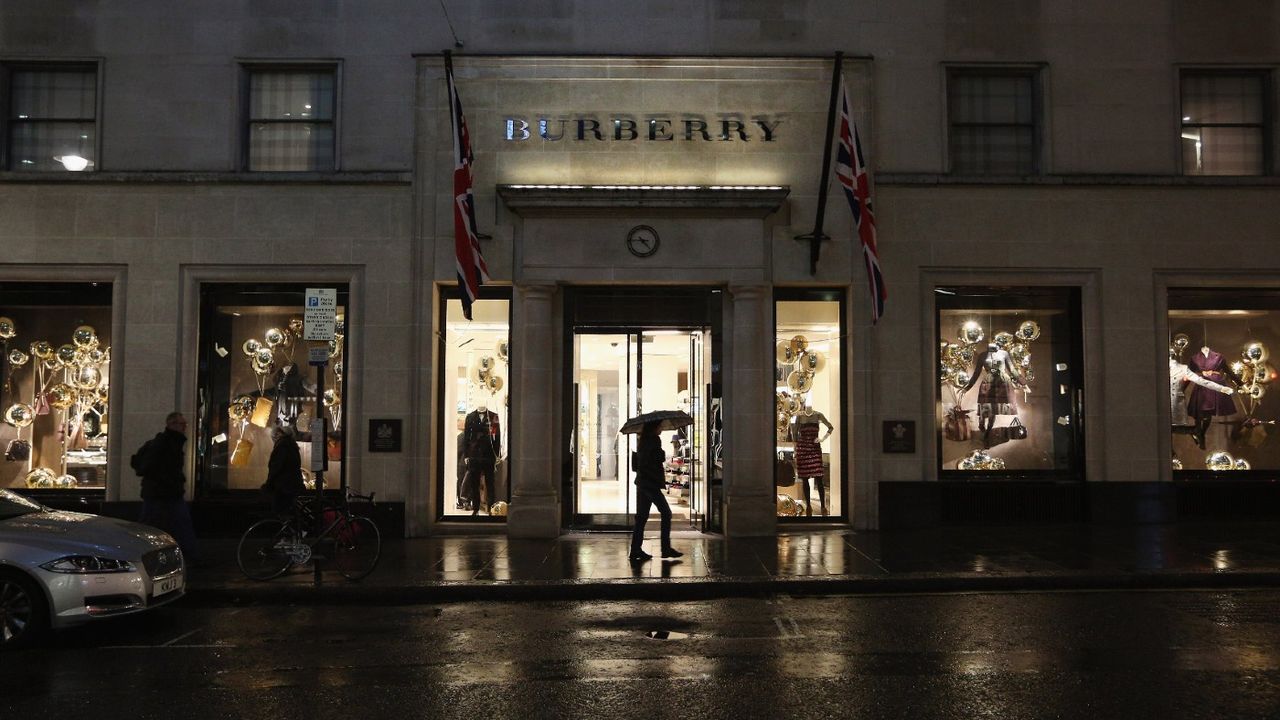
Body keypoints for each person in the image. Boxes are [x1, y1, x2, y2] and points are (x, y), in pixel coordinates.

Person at [137, 411, 199, 563]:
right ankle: (189, 555)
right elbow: (153, 467)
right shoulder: (165, 443)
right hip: (162, 492)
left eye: (185, 424)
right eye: (181, 424)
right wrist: (169, 480)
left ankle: (187, 555)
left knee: (164, 523)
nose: (184, 427)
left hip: (163, 492)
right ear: (171, 425)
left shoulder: (172, 442)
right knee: (170, 523)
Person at [629, 421, 682, 562]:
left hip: (643, 482)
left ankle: (635, 549)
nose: (661, 429)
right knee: (666, 512)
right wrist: (661, 454)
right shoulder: (652, 441)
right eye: (659, 427)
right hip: (649, 483)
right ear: (654, 428)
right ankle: (665, 548)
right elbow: (650, 461)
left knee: (641, 518)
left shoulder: (644, 440)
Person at [262, 423, 304, 516]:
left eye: (273, 437)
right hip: (293, 485)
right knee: (290, 513)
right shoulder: (292, 445)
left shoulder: (282, 446)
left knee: (281, 513)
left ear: (278, 434)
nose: (273, 439)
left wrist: (268, 484)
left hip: (283, 487)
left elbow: (276, 468)